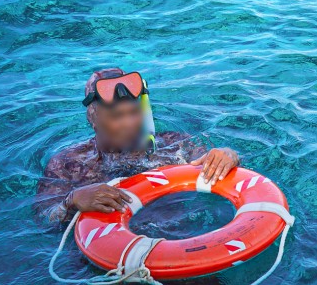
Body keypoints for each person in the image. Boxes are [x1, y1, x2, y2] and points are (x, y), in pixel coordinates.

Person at [35, 68, 240, 225]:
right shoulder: (68, 164)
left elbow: (219, 162)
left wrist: (228, 154)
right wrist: (71, 201)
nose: (130, 123)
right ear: (93, 119)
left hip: (180, 233)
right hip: (110, 253)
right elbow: (43, 220)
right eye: (117, 116)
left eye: (134, 112)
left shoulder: (174, 144)